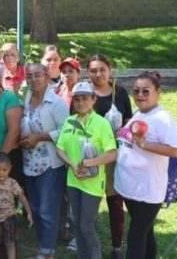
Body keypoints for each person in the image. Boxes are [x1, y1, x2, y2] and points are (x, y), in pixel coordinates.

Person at [115, 71, 177, 259]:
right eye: (136, 91)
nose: (140, 95)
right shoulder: (138, 113)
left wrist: (145, 144)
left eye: (146, 91)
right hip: (131, 187)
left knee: (136, 236)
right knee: (146, 232)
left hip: (149, 190)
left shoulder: (163, 118)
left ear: (158, 92)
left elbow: (175, 150)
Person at [56, 82, 117, 259]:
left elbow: (112, 154)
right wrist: (73, 165)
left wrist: (88, 163)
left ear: (93, 99)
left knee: (86, 226)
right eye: (77, 99)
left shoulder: (101, 123)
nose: (81, 102)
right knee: (75, 223)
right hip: (73, 178)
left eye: (85, 98)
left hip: (93, 182)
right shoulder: (70, 121)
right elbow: (60, 149)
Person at [19, 63, 70, 259]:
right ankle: (43, 248)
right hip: (29, 162)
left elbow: (66, 131)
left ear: (47, 76)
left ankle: (47, 253)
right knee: (37, 209)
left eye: (38, 75)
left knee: (48, 211)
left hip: (50, 164)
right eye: (29, 76)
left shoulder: (56, 103)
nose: (34, 80)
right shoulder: (28, 98)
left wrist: (39, 137)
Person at [87, 54, 132, 258]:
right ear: (88, 73)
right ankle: (89, 241)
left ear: (110, 70)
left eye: (102, 69)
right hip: (91, 155)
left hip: (114, 156)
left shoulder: (120, 92)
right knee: (91, 203)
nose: (98, 74)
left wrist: (121, 132)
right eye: (94, 70)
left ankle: (116, 246)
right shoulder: (84, 93)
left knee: (115, 202)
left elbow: (130, 120)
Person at [0, 153, 33, 259]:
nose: (1, 173)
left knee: (10, 243)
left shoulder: (12, 183)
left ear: (10, 168)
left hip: (9, 218)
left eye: (4, 170)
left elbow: (21, 197)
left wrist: (29, 212)